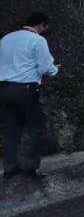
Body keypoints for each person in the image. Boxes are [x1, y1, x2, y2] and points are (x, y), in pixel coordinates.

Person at [0, 12, 59, 179]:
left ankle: (10, 168)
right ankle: (30, 166)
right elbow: (46, 68)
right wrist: (56, 69)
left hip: (3, 89)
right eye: (46, 27)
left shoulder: (6, 38)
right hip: (25, 90)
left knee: (10, 130)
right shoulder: (38, 40)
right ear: (41, 25)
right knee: (37, 129)